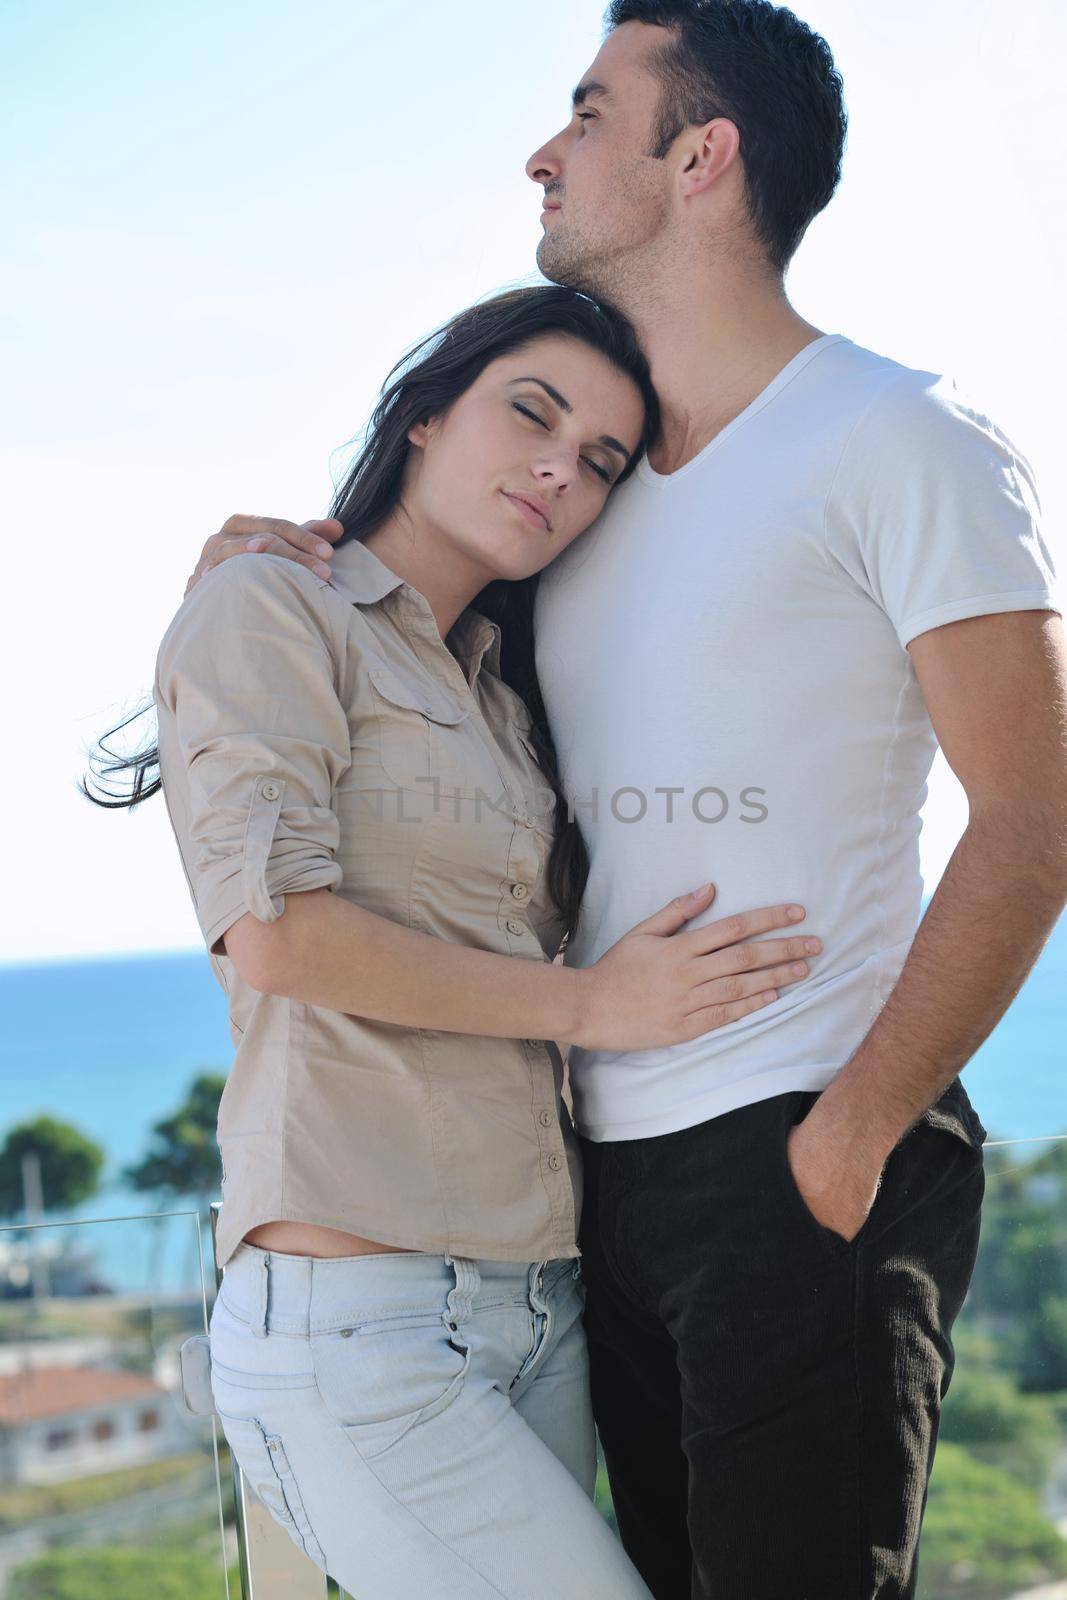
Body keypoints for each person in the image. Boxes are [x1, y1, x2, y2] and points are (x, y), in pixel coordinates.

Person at [194, 3, 1067, 1596]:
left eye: (589, 113)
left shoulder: (905, 439)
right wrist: (271, 563)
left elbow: (1036, 815)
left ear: (701, 157)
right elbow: (410, 742)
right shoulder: (589, 514)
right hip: (593, 1195)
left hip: (802, 1146)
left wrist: (852, 1132)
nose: (545, 151)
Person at [88, 284, 823, 1598]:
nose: (560, 467)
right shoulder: (272, 609)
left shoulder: (500, 688)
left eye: (601, 461)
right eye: (530, 412)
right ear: (426, 416)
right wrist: (595, 1007)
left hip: (537, 1305)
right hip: (355, 1320)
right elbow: (280, 939)